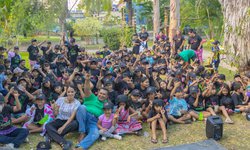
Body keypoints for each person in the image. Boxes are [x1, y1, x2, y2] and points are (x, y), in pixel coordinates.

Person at [75, 73, 109, 150]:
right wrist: (87, 80)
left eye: (104, 94)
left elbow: (105, 117)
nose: (101, 95)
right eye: (100, 93)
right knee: (82, 107)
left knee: (96, 134)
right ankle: (82, 132)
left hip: (94, 122)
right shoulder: (92, 97)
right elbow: (87, 89)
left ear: (107, 96)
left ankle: (81, 146)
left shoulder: (106, 105)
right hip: (84, 116)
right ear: (98, 93)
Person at [45, 86, 80, 150]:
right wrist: (55, 109)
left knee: (75, 123)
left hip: (69, 122)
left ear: (75, 92)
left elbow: (72, 117)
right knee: (48, 125)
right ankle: (65, 142)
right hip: (59, 119)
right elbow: (55, 115)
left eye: (72, 92)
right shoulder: (60, 99)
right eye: (68, 92)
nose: (70, 94)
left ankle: (51, 136)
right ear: (66, 92)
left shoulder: (77, 102)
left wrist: (63, 127)